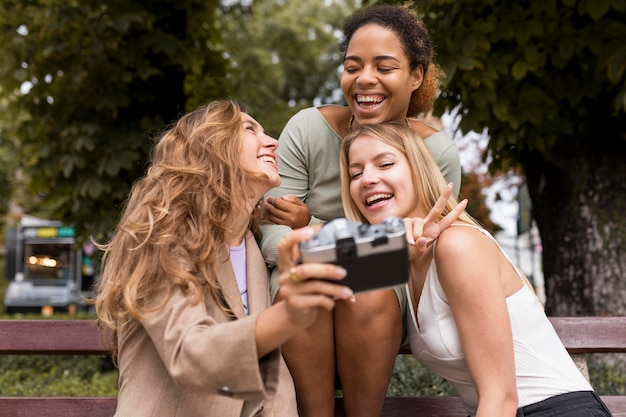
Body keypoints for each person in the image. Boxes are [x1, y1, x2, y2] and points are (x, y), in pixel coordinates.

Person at [259, 4, 462, 416]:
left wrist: (311, 225)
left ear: (416, 76)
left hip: (385, 291)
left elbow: (418, 245)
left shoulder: (436, 152)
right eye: (353, 66)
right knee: (306, 287)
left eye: (384, 67)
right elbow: (273, 234)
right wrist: (332, 244)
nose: (365, 79)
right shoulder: (307, 129)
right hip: (299, 281)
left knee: (366, 291)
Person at [93, 100, 356, 417]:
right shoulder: (161, 238)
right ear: (212, 146)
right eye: (249, 129)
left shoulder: (249, 243)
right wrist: (287, 315)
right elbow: (191, 355)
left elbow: (269, 381)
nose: (273, 141)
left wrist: (406, 235)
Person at [339, 122, 613, 417]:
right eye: (355, 173)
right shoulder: (407, 258)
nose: (367, 179)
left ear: (418, 170)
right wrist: (386, 247)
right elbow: (317, 283)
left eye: (385, 164)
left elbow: (501, 398)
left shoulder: (457, 245)